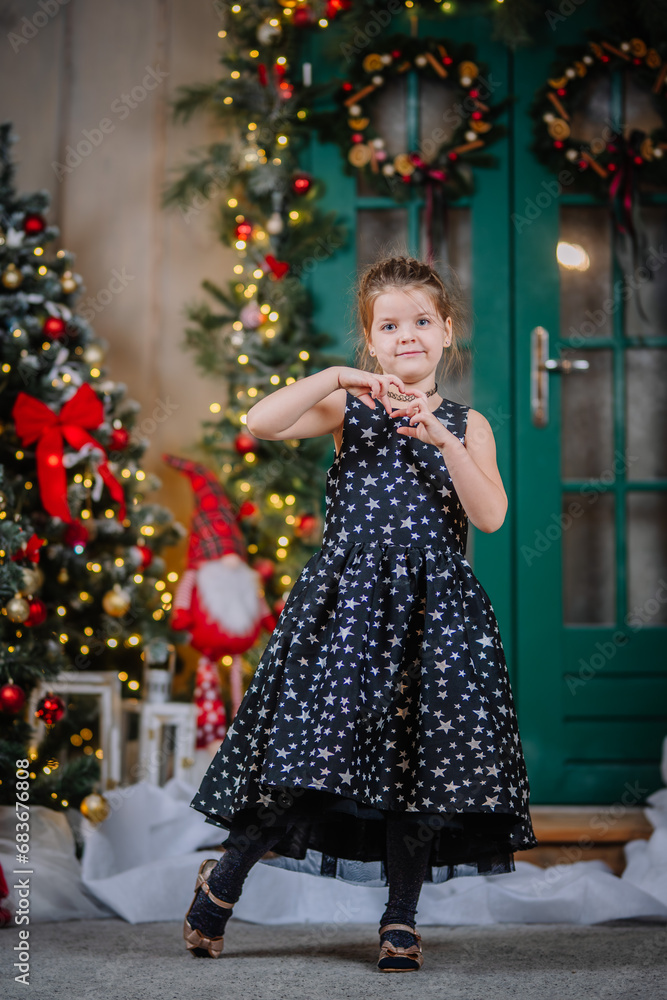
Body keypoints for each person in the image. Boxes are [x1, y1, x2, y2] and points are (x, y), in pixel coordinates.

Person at [183, 254, 538, 972]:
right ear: (371, 341)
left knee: (419, 768)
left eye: (420, 322)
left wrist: (441, 437)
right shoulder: (350, 407)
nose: (405, 335)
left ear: (445, 333)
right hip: (346, 617)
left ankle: (400, 920)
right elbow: (260, 421)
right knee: (311, 760)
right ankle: (224, 881)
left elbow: (491, 516)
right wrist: (339, 378)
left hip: (435, 620)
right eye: (387, 326)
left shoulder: (468, 425)